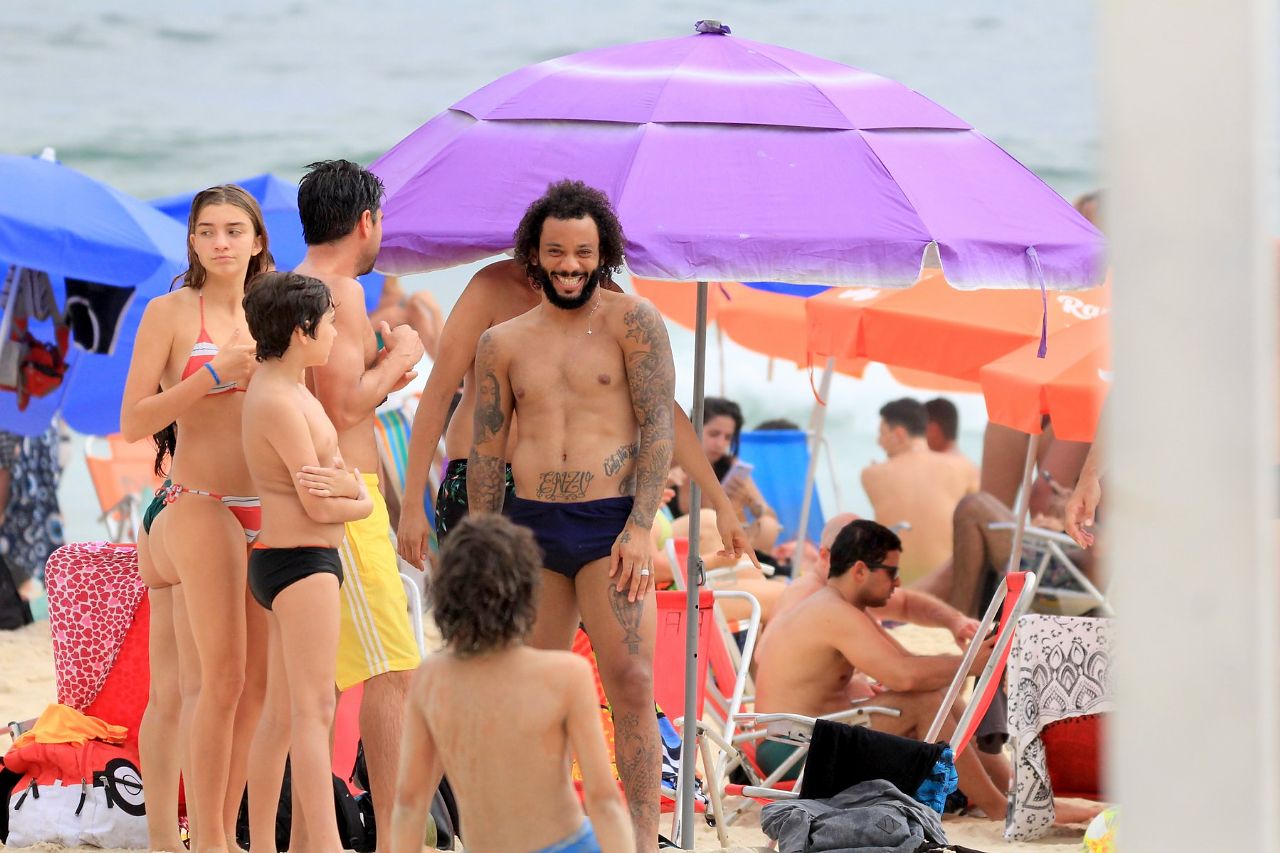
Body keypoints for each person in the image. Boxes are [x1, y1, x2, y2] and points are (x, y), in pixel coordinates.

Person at [467, 179, 672, 850]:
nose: (570, 264)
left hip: (611, 526)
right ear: (534, 254)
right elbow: (486, 450)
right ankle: (539, 832)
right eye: (556, 251)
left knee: (633, 683)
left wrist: (641, 526)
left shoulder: (633, 322)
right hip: (528, 531)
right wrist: (482, 548)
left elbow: (658, 428)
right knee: (524, 693)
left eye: (583, 251)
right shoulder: (501, 341)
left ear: (602, 251)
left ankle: (642, 838)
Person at [394, 257, 754, 568]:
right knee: (479, 634)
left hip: (568, 496)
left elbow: (662, 408)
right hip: (478, 482)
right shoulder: (492, 287)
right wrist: (412, 505)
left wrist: (720, 502)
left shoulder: (611, 302)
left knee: (555, 635)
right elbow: (438, 393)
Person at [122, 185, 270, 853]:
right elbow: (133, 423)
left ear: (257, 240)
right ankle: (173, 836)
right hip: (191, 502)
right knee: (197, 683)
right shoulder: (171, 311)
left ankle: (219, 828)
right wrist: (210, 380)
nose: (219, 242)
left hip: (262, 509)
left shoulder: (275, 312)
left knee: (252, 688)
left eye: (233, 230)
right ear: (192, 240)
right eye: (206, 230)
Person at [293, 159, 425, 843]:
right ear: (367, 220)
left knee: (325, 677)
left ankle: (319, 823)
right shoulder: (340, 290)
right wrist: (401, 353)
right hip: (346, 496)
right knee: (393, 667)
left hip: (302, 493)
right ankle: (400, 831)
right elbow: (346, 402)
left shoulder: (283, 282)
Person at [391, 514, 633, 853]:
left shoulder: (433, 679)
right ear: (528, 594)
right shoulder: (565, 674)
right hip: (568, 843)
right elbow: (604, 798)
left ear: (447, 597)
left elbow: (410, 802)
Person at [241, 271, 374, 853]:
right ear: (301, 330)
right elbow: (323, 499)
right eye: (329, 321)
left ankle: (279, 845)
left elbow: (338, 488)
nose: (336, 330)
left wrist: (352, 495)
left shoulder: (290, 390)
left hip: (290, 559)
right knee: (314, 713)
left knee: (282, 715)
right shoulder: (276, 398)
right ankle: (323, 844)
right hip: (301, 562)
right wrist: (358, 499)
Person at [752, 520, 1009, 815]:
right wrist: (970, 665)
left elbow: (908, 666)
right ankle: (998, 806)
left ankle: (1006, 786)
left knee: (934, 693)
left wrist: (966, 663)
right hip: (793, 753)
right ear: (860, 571)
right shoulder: (832, 612)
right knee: (926, 703)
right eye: (892, 573)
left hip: (809, 740)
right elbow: (903, 676)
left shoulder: (838, 605)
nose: (898, 583)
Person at [772, 513, 979, 646]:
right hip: (816, 709)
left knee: (941, 691)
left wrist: (954, 620)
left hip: (845, 701)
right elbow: (766, 653)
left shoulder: (848, 587)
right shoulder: (805, 595)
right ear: (826, 556)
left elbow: (906, 604)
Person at [861, 398, 978, 586]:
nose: (879, 442)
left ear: (899, 434)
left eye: (882, 433)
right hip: (946, 585)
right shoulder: (965, 467)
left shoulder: (871, 474)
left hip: (894, 587)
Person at [671, 397, 781, 557]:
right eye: (714, 434)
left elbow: (768, 514)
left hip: (717, 541)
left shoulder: (730, 467)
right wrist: (665, 484)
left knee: (768, 526)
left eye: (728, 437)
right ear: (692, 429)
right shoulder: (672, 464)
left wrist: (749, 503)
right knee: (707, 521)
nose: (721, 444)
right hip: (681, 543)